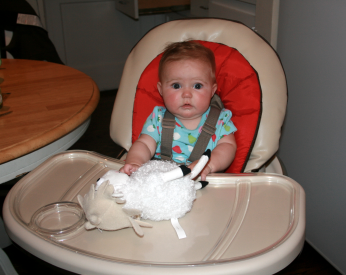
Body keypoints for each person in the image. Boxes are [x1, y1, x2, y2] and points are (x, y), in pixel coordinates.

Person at [120, 41, 237, 180]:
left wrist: (209, 165)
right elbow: (144, 144)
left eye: (197, 86)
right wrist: (135, 162)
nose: (186, 94)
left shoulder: (220, 121)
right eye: (176, 85)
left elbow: (228, 147)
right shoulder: (158, 119)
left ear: (212, 91)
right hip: (164, 181)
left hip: (204, 181)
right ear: (161, 90)